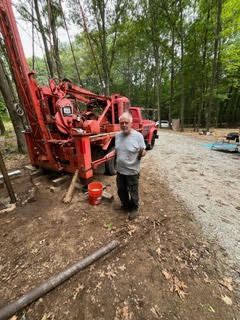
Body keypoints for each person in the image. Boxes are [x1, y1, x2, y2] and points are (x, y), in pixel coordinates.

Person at [115, 112, 146, 220]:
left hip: (132, 171)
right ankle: (125, 205)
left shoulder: (138, 136)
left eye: (126, 122)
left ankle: (134, 208)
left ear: (131, 123)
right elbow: (118, 150)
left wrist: (142, 153)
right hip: (120, 170)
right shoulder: (117, 136)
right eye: (121, 123)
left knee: (133, 190)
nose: (124, 125)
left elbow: (143, 150)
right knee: (121, 190)